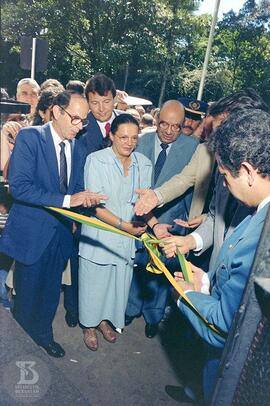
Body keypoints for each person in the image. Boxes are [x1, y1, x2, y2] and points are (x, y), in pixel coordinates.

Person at [162, 108, 270, 402]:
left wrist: (185, 295)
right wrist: (207, 282)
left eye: (224, 175)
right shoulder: (257, 213)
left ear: (247, 172)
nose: (222, 184)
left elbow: (224, 326)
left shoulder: (261, 237)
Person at [0, 91, 107, 357]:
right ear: (57, 112)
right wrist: (70, 200)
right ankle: (21, 349)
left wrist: (87, 199)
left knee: (50, 295)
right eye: (75, 119)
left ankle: (44, 335)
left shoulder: (78, 147)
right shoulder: (30, 138)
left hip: (60, 236)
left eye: (84, 121)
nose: (79, 126)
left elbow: (77, 189)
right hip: (31, 235)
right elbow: (20, 188)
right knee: (26, 296)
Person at [79, 114, 161, 351]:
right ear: (111, 135)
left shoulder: (145, 163)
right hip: (100, 236)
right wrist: (123, 226)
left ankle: (105, 321)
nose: (129, 142)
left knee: (115, 285)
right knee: (93, 283)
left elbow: (143, 204)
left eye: (134, 138)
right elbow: (95, 206)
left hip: (127, 240)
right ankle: (88, 326)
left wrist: (154, 224)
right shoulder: (96, 160)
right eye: (123, 136)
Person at [125, 100, 199, 338]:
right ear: (156, 121)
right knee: (136, 264)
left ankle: (153, 316)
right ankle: (130, 308)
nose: (169, 131)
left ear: (183, 125)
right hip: (139, 217)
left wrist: (184, 222)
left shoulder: (193, 147)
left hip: (171, 221)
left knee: (162, 272)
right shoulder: (141, 140)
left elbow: (191, 186)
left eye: (175, 126)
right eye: (164, 124)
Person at [83, 73, 123, 153]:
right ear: (87, 103)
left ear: (115, 100)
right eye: (95, 103)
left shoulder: (128, 121)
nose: (101, 109)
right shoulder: (80, 128)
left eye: (106, 102)